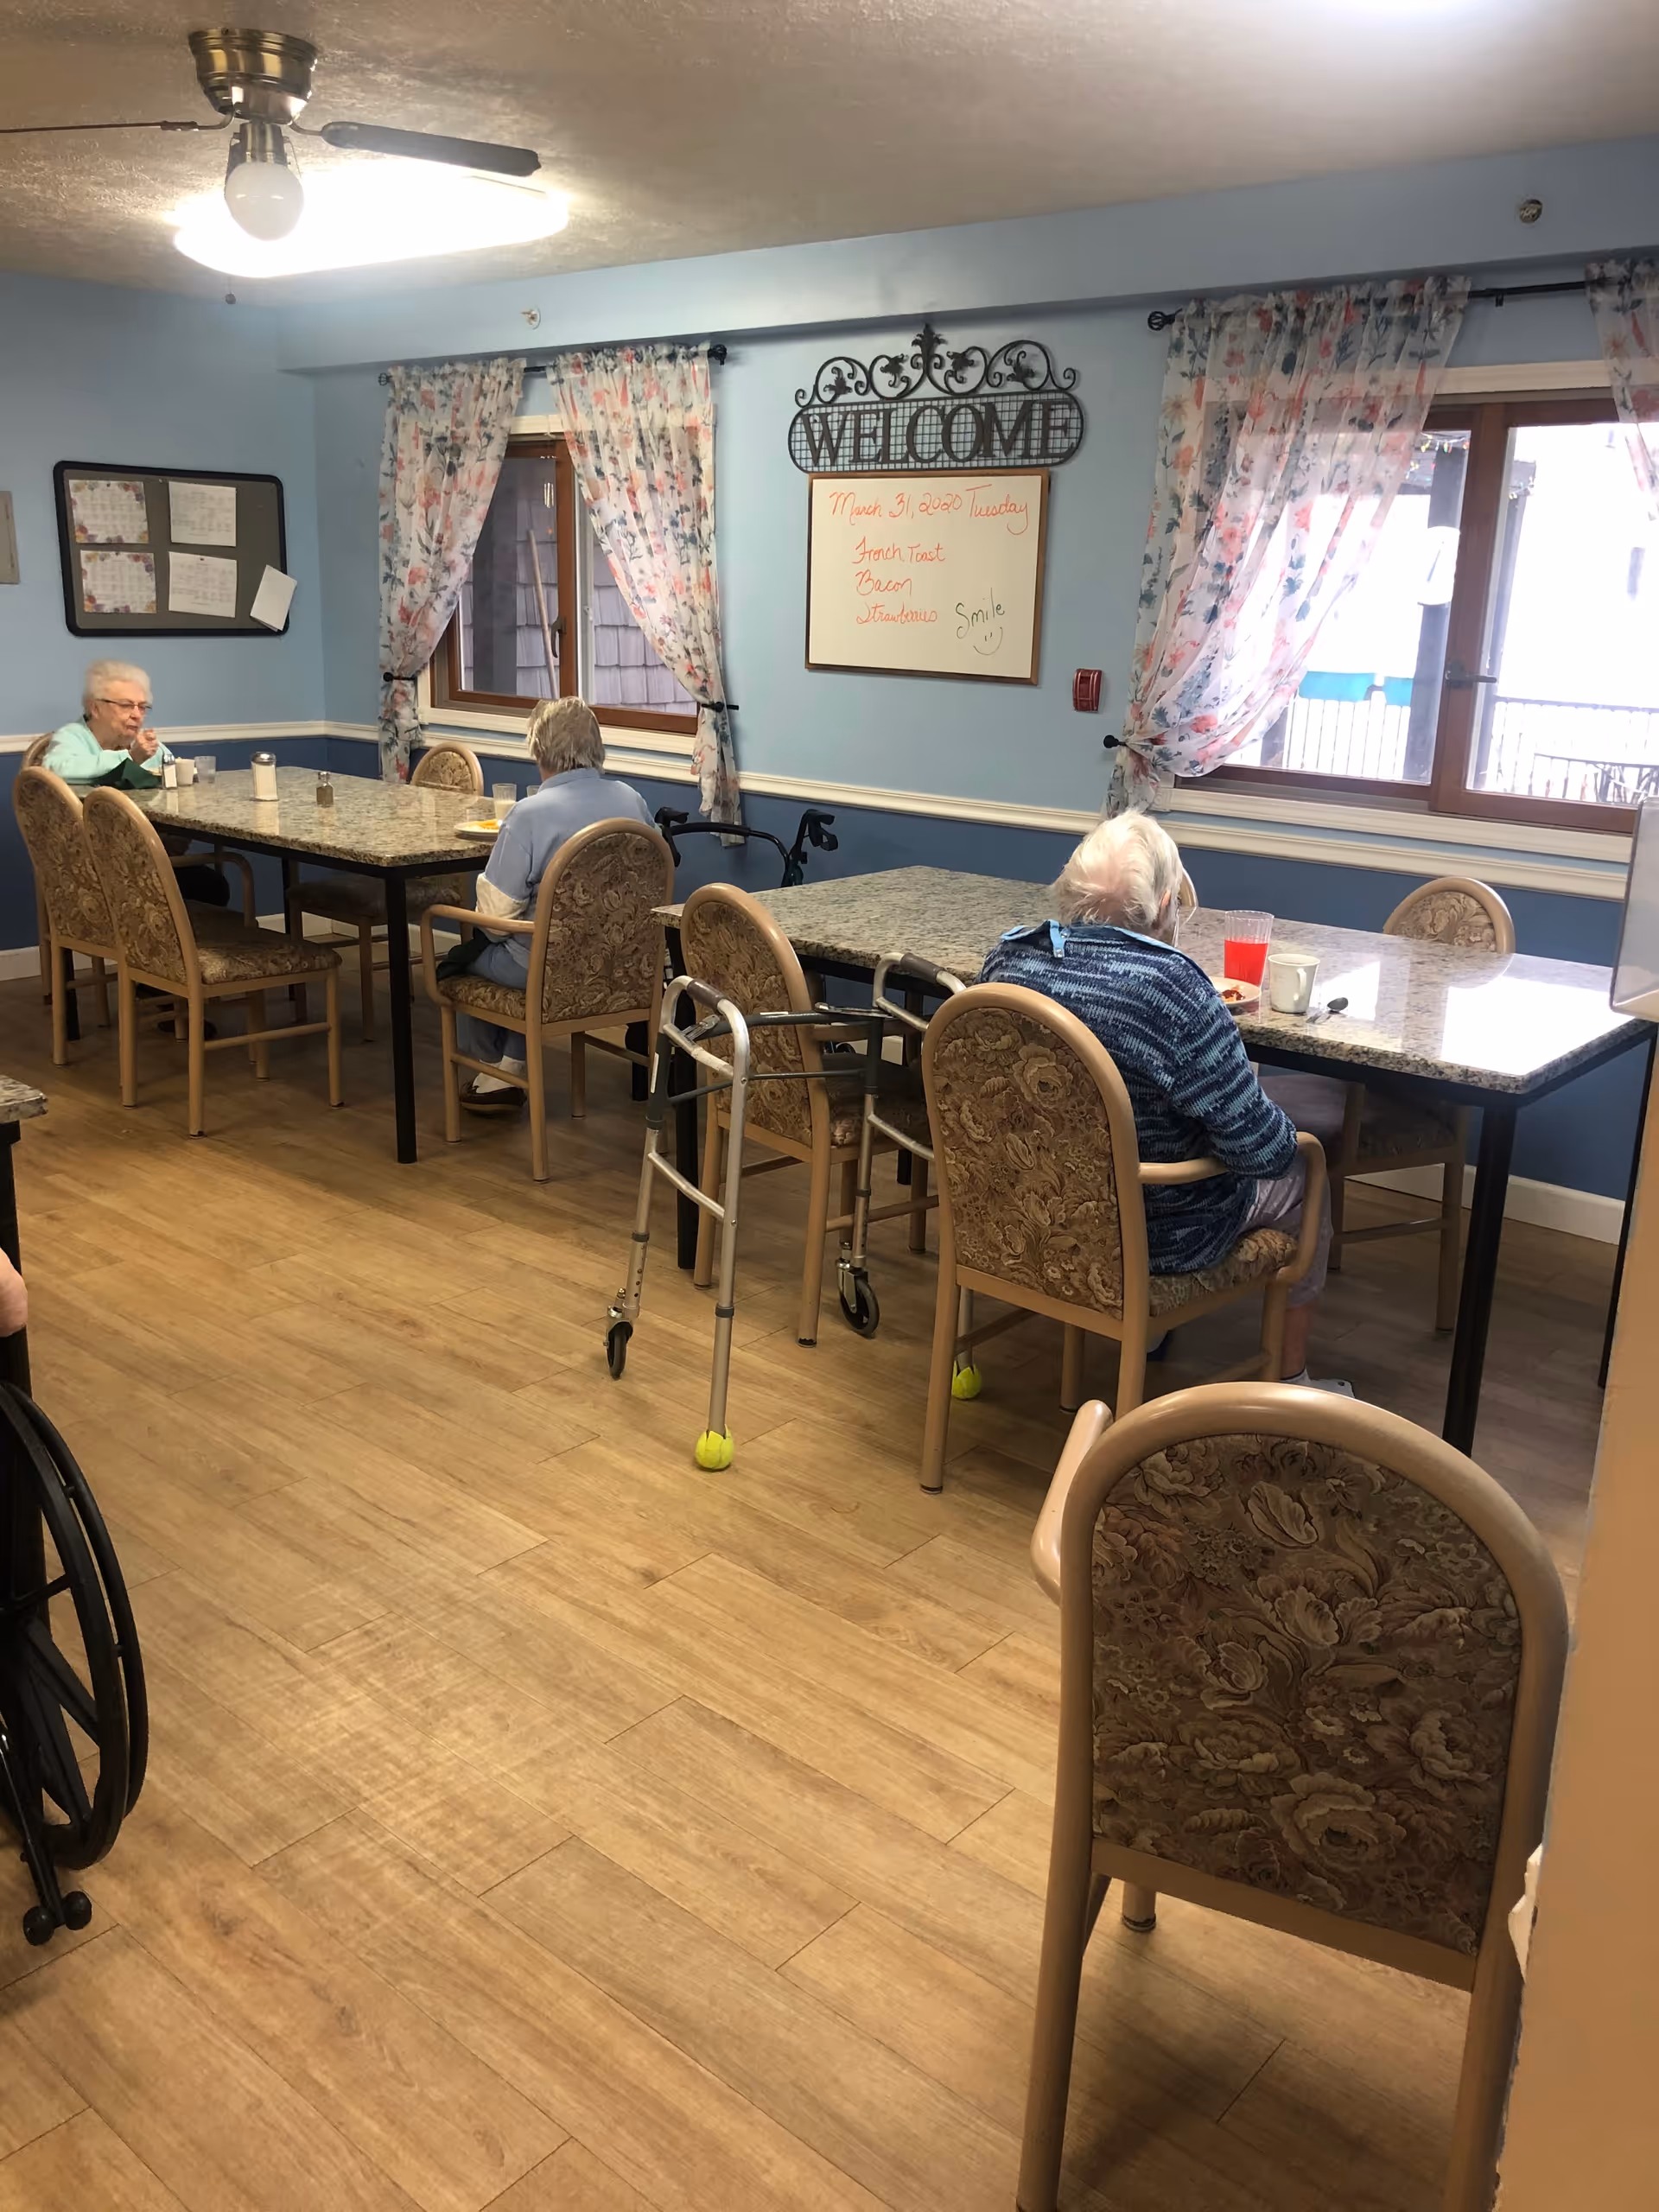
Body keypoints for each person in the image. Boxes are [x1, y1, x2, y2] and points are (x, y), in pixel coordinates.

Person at [980, 811, 1351, 1395]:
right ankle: (1294, 1379)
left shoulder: (1009, 961)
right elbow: (1261, 1150)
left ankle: (1145, 1332)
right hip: (1155, 1232)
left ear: (1069, 890)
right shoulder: (1173, 987)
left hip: (1028, 1210)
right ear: (1166, 902)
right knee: (1305, 1169)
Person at [458, 696, 653, 1112]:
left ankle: (495, 1070)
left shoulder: (529, 815)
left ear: (538, 749)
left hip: (546, 967)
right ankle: (509, 1064)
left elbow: (495, 921)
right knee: (520, 949)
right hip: (622, 965)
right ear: (596, 746)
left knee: (465, 957)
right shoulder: (632, 801)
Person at [43, 660, 230, 907]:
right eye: (126, 705)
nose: (137, 714)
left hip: (150, 854)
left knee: (212, 884)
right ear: (95, 708)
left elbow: (173, 777)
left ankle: (182, 946)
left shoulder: (146, 745)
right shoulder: (72, 737)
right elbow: (56, 769)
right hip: (94, 865)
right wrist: (129, 759)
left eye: (143, 707)